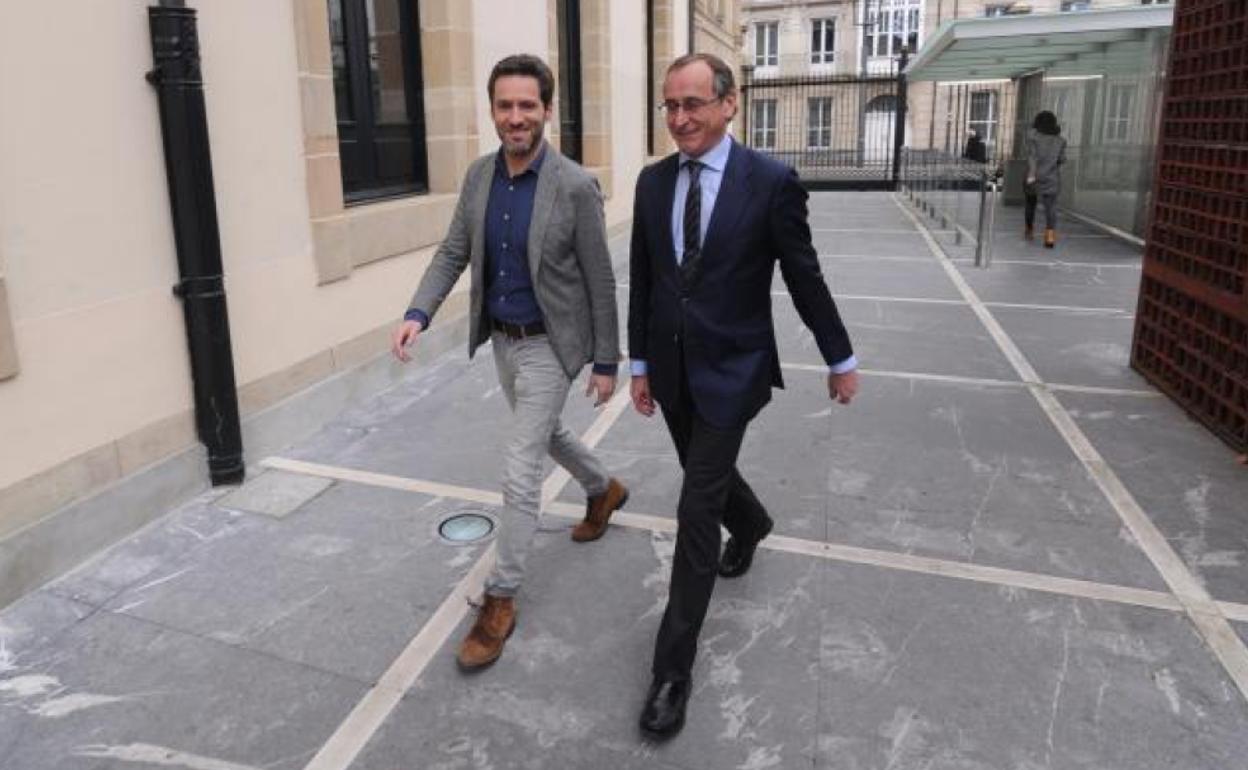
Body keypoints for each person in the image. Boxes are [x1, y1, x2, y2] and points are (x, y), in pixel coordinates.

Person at [627, 53, 858, 739]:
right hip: (671, 370)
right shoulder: (651, 182)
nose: (680, 119)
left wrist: (839, 356)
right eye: (670, 106)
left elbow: (804, 277)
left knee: (696, 504)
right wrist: (639, 363)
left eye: (693, 103)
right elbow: (644, 279)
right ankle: (753, 524)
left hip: (734, 368)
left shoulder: (771, 183)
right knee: (711, 477)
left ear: (731, 104)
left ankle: (672, 671)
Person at [391, 54, 629, 671]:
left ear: (547, 110)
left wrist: (607, 360)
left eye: (528, 105)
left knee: (519, 469)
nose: (516, 117)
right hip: (503, 338)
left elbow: (600, 279)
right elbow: (452, 251)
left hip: (552, 342)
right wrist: (418, 312)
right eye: (505, 105)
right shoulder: (478, 177)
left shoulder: (574, 184)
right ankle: (603, 489)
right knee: (545, 433)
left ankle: (501, 598)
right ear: (492, 110)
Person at [1024, 110, 1067, 248]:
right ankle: (1049, 237)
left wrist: (1031, 174)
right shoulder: (1060, 141)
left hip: (1034, 176)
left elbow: (1032, 157)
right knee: (1051, 208)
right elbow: (1061, 159)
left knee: (1031, 203)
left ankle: (1029, 231)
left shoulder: (1033, 137)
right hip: (1052, 177)